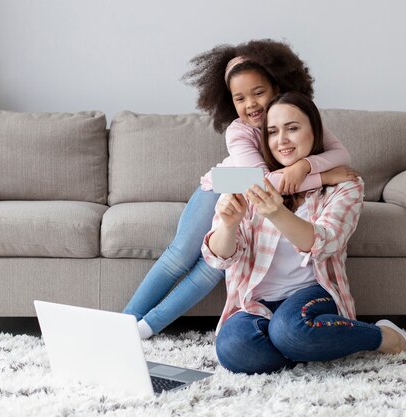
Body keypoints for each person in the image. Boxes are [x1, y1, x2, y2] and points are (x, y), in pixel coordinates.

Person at [123, 39, 357, 339]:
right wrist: (320, 177)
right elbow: (258, 183)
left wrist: (304, 166)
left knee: (213, 269)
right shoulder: (239, 130)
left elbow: (342, 156)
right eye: (240, 98)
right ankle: (125, 319)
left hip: (257, 194)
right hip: (225, 185)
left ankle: (145, 327)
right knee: (180, 254)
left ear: (278, 87)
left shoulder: (299, 116)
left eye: (259, 93)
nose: (251, 104)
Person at [202, 91, 406, 375]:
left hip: (311, 292)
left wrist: (276, 213)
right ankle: (311, 345)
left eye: (292, 128)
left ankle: (385, 338)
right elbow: (218, 257)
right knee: (234, 350)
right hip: (255, 302)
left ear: (314, 131)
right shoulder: (247, 178)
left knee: (290, 330)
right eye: (272, 132)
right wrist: (229, 225)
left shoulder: (344, 184)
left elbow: (325, 242)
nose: (281, 140)